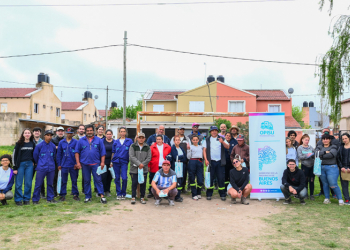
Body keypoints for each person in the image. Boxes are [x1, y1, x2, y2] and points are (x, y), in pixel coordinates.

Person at [75, 124, 107, 204]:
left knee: (98, 180)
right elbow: (77, 152)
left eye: (91, 130)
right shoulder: (81, 140)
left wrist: (102, 162)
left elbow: (103, 152)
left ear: (94, 131)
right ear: (85, 131)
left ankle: (102, 196)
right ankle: (87, 196)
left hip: (96, 164)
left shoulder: (99, 140)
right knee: (86, 180)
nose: (89, 132)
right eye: (88, 131)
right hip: (85, 164)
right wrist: (78, 163)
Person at [316, 134, 344, 205]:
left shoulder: (333, 146)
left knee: (333, 184)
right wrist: (325, 152)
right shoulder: (319, 146)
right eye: (324, 139)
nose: (325, 140)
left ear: (329, 140)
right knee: (325, 184)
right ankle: (327, 198)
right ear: (322, 140)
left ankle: (340, 199)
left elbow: (331, 155)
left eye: (327, 139)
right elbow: (315, 154)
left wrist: (321, 155)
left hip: (332, 168)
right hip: (321, 167)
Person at [203, 126, 230, 201]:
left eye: (215, 130)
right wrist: (205, 159)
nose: (214, 132)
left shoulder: (222, 138)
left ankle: (222, 194)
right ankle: (209, 194)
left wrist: (222, 142)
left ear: (217, 131)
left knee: (221, 178)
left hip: (220, 162)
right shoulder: (207, 139)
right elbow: (204, 150)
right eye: (212, 131)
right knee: (210, 178)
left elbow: (228, 147)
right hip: (211, 162)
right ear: (210, 132)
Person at [32, 130, 57, 204]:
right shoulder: (39, 146)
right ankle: (35, 199)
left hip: (51, 168)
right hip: (41, 168)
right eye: (48, 135)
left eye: (50, 135)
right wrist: (39, 163)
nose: (49, 137)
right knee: (38, 184)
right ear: (44, 136)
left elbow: (54, 155)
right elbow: (35, 156)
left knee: (50, 183)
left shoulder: (52, 145)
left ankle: (50, 198)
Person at [13, 128, 36, 206]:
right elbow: (14, 156)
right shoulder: (19, 143)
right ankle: (18, 199)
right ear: (23, 134)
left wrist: (33, 162)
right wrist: (15, 167)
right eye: (25, 133)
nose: (27, 134)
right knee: (18, 183)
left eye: (28, 133)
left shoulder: (32, 143)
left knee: (28, 183)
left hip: (29, 165)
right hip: (20, 165)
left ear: (30, 134)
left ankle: (26, 199)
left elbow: (35, 154)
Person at [315, 128, 340, 197]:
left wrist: (321, 155)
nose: (325, 133)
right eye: (324, 132)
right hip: (321, 165)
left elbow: (334, 154)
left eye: (327, 132)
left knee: (331, 181)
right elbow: (316, 153)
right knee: (323, 181)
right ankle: (322, 192)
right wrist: (325, 152)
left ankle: (334, 193)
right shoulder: (319, 142)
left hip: (331, 164)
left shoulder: (335, 141)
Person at [57, 127, 79, 202]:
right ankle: (62, 195)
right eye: (68, 133)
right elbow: (59, 154)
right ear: (66, 133)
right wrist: (59, 164)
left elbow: (78, 153)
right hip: (64, 164)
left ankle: (75, 194)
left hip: (73, 164)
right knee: (64, 180)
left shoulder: (76, 142)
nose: (69, 134)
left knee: (74, 180)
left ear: (73, 134)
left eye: (71, 133)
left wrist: (77, 163)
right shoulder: (61, 142)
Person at [129, 132, 151, 205]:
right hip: (134, 168)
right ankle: (133, 197)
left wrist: (142, 164)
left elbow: (149, 157)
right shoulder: (132, 146)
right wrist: (139, 164)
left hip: (143, 169)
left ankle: (142, 197)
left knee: (143, 183)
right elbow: (131, 156)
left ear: (144, 139)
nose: (141, 139)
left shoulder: (147, 147)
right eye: (139, 138)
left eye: (142, 138)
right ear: (137, 138)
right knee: (134, 183)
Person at [111, 126, 133, 200]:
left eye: (124, 131)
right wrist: (111, 161)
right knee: (117, 178)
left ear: (126, 132)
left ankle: (123, 193)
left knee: (124, 178)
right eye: (121, 131)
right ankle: (118, 193)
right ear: (119, 132)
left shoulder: (129, 141)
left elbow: (132, 150)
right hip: (116, 162)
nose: (123, 133)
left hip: (124, 161)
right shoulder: (116, 142)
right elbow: (113, 152)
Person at [167, 135, 187, 202]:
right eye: (176, 140)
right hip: (175, 167)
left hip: (182, 166)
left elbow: (185, 157)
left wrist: (180, 158)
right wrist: (181, 157)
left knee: (181, 181)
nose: (178, 141)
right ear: (174, 141)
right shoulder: (172, 148)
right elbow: (175, 157)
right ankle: (175, 196)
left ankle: (178, 195)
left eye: (179, 140)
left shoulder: (181, 148)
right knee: (176, 182)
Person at [170, 126, 191, 192]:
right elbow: (174, 153)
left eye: (183, 130)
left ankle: (183, 187)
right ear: (178, 130)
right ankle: (175, 188)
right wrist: (180, 157)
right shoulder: (173, 138)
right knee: (176, 176)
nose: (182, 131)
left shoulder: (187, 138)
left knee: (184, 174)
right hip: (176, 163)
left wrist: (185, 158)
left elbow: (188, 150)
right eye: (180, 130)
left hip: (184, 162)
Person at [297, 134, 315, 200]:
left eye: (308, 140)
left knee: (312, 180)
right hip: (304, 166)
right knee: (305, 180)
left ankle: (311, 195)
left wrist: (313, 155)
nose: (307, 141)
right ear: (302, 140)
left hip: (311, 166)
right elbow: (300, 157)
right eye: (305, 140)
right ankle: (305, 194)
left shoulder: (311, 147)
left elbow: (314, 155)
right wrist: (307, 155)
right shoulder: (300, 148)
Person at [187, 135, 204, 200]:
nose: (195, 141)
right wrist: (188, 150)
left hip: (199, 162)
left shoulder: (201, 147)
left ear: (198, 140)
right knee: (192, 178)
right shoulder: (190, 147)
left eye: (196, 140)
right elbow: (188, 157)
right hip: (192, 162)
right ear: (192, 140)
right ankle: (194, 194)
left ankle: (198, 192)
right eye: (194, 140)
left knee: (200, 179)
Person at [32, 127, 45, 199]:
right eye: (35, 131)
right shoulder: (30, 142)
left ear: (40, 133)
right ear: (33, 133)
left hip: (41, 163)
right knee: (30, 179)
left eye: (38, 131)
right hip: (32, 164)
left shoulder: (43, 142)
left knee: (41, 179)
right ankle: (29, 193)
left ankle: (42, 194)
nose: (37, 132)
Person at [52, 126, 65, 197]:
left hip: (64, 161)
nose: (60, 132)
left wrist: (57, 147)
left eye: (62, 131)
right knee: (55, 177)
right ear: (56, 132)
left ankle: (61, 191)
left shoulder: (65, 140)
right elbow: (51, 148)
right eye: (59, 131)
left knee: (63, 177)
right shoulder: (53, 140)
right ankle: (54, 192)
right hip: (55, 161)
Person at [337, 133, 350, 205]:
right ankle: (347, 199)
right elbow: (338, 158)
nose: (344, 140)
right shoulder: (341, 147)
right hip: (343, 169)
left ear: (349, 138)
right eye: (343, 139)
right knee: (344, 184)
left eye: (346, 138)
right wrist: (341, 167)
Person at [73, 124, 85, 193]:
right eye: (80, 129)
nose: (81, 130)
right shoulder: (74, 138)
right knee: (75, 175)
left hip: (84, 158)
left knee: (85, 175)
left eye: (83, 129)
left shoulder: (86, 138)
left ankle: (84, 189)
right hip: (75, 158)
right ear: (78, 130)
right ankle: (74, 190)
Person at [102, 129, 114, 197]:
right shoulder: (102, 141)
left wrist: (112, 162)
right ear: (105, 134)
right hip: (103, 161)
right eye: (107, 134)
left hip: (111, 162)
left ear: (112, 134)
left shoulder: (114, 142)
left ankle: (107, 190)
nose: (109, 135)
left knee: (109, 177)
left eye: (110, 134)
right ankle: (101, 190)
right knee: (103, 177)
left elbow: (114, 152)